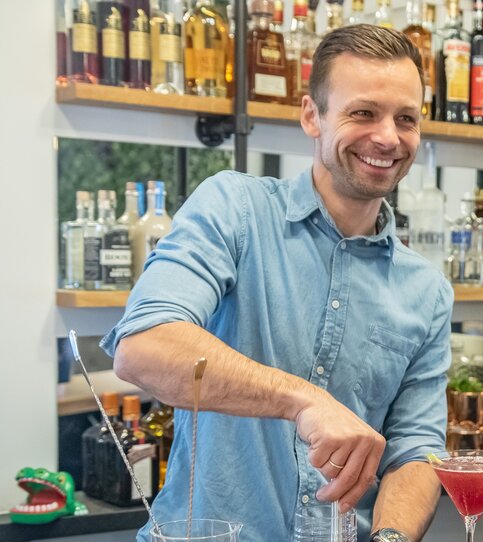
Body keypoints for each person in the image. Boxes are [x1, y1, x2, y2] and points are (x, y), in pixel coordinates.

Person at [101, 25, 451, 542]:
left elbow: (416, 449)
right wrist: (304, 400)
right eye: (363, 113)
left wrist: (390, 538)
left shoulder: (427, 290)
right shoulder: (234, 209)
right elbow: (145, 346)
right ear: (312, 115)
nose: (387, 137)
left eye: (406, 119)